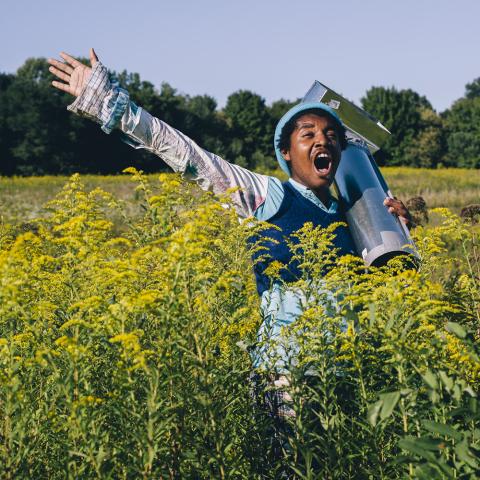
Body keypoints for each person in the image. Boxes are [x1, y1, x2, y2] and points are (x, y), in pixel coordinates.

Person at [48, 48, 412, 413]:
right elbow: (190, 156)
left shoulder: (354, 219)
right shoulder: (269, 196)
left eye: (332, 135)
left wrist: (402, 235)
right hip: (286, 377)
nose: (323, 140)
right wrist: (109, 104)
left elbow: (386, 296)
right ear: (286, 152)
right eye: (308, 133)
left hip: (345, 378)